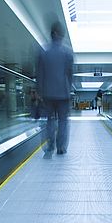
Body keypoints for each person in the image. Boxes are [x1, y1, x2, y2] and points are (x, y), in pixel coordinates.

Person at [36, 21, 73, 158]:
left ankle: (50, 145)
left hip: (47, 94)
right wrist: (68, 90)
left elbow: (39, 74)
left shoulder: (43, 52)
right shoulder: (67, 53)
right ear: (61, 35)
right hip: (63, 93)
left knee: (50, 120)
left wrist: (39, 92)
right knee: (63, 121)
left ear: (51, 34)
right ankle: (61, 147)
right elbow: (69, 74)